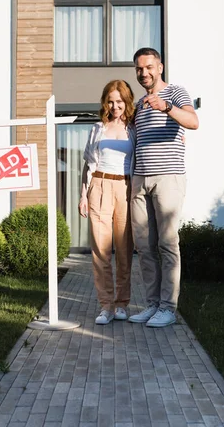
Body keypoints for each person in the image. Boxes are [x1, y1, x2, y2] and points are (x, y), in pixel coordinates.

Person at [128, 47, 199, 328]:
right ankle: (152, 304)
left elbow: (193, 122)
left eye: (148, 67)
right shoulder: (138, 105)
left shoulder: (176, 93)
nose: (143, 73)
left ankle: (168, 308)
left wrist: (167, 108)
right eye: (139, 69)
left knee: (167, 244)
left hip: (168, 178)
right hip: (139, 179)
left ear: (160, 67)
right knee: (144, 247)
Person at [79, 80, 136, 325]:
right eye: (111, 101)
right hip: (99, 186)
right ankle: (106, 306)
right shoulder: (98, 128)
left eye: (119, 101)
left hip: (125, 187)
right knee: (100, 251)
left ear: (126, 101)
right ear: (106, 102)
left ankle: (122, 304)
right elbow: (88, 163)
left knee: (124, 250)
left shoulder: (134, 128)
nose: (115, 106)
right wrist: (83, 195)